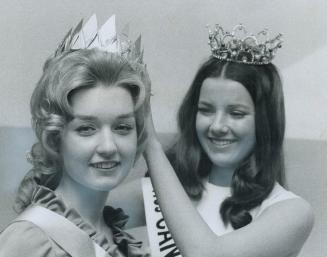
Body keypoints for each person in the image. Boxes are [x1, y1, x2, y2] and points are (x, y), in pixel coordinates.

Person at [142, 24, 314, 257]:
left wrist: (150, 144)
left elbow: (205, 255)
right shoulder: (168, 188)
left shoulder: (292, 212)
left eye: (236, 113)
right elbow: (79, 214)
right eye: (206, 110)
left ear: (264, 122)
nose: (217, 126)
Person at [0, 15, 150, 257]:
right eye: (86, 129)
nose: (109, 146)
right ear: (55, 138)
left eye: (122, 127)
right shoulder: (31, 240)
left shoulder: (119, 241)